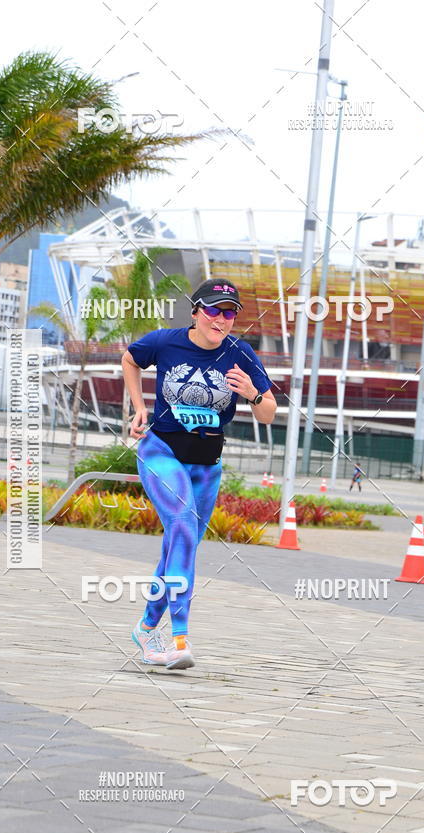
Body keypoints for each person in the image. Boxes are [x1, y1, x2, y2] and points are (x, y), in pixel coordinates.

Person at [121, 278, 277, 670]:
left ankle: (145, 628)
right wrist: (139, 407)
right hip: (161, 452)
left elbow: (269, 412)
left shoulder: (241, 354)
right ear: (196, 312)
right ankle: (179, 639)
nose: (221, 319)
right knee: (184, 531)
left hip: (207, 464)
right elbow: (129, 359)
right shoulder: (165, 341)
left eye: (229, 313)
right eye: (213, 310)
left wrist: (253, 395)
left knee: (180, 544)